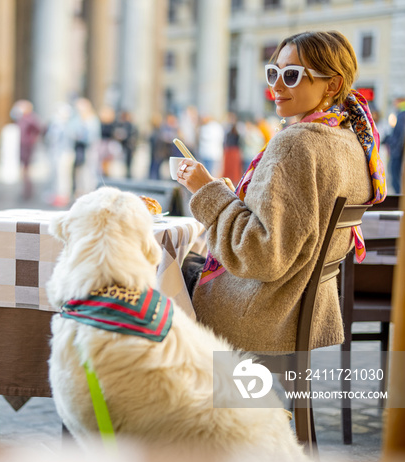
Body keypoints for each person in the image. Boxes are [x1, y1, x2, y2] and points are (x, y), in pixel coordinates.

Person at [175, 31, 386, 353]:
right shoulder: (352, 140)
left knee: (149, 269)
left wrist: (205, 190)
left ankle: (164, 396)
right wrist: (229, 198)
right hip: (305, 308)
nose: (275, 86)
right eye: (273, 72)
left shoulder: (297, 143)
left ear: (331, 84)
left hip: (259, 310)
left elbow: (261, 256)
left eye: (292, 75)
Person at [11, 100, 42, 199]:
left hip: (27, 147)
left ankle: (27, 192)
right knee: (23, 170)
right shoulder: (22, 118)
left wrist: (32, 140)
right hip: (22, 146)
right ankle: (25, 191)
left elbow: (38, 129)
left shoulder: (30, 118)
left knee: (26, 170)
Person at [112, 110, 138, 179]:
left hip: (129, 146)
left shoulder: (130, 125)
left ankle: (128, 173)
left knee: (128, 162)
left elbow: (133, 136)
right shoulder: (121, 124)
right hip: (124, 146)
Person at [386, 98, 405, 193]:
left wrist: (395, 148)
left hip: (398, 152)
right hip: (398, 150)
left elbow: (401, 135)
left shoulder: (402, 114)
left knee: (395, 175)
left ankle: (398, 198)